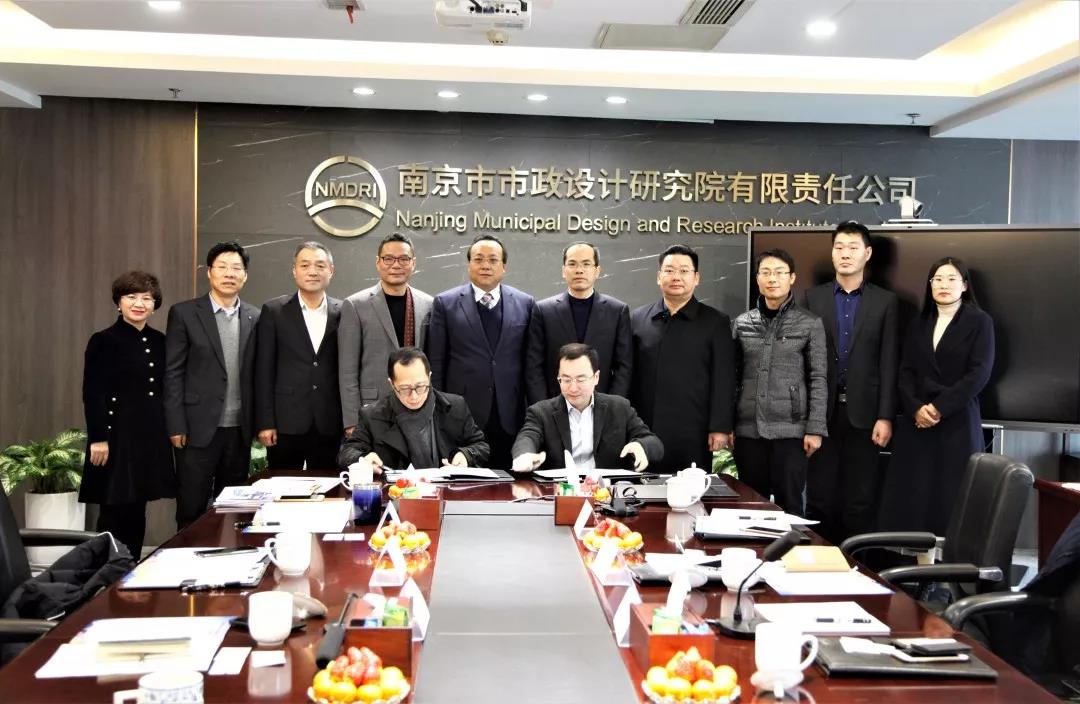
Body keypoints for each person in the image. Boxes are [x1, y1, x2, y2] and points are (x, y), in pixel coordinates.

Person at [879, 257, 994, 535]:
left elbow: (979, 373)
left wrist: (939, 407)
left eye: (952, 279)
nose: (944, 285)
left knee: (952, 501)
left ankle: (948, 561)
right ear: (930, 285)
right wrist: (917, 408)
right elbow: (905, 372)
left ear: (964, 286)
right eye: (938, 279)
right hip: (917, 424)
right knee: (914, 501)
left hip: (957, 422)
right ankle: (916, 559)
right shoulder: (918, 323)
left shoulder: (980, 322)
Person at [801, 221, 899, 543]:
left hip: (866, 416)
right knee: (819, 498)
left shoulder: (885, 302)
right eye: (839, 247)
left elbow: (888, 362)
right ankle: (819, 561)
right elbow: (802, 361)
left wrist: (885, 416)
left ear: (867, 254)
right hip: (822, 415)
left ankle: (857, 563)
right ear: (832, 253)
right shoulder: (812, 298)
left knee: (860, 500)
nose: (845, 253)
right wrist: (807, 418)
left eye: (853, 247)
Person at [79, 271, 175, 560]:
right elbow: (93, 392)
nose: (139, 304)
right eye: (131, 297)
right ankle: (106, 571)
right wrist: (98, 438)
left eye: (147, 298)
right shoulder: (103, 340)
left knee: (138, 506)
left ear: (155, 305)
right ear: (118, 303)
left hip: (148, 437)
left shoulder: (160, 341)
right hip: (115, 437)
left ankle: (130, 567)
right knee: (114, 508)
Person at [165, 242, 260, 529]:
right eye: (222, 267)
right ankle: (185, 555)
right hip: (196, 429)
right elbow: (173, 372)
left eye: (236, 268)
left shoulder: (255, 316)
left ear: (245, 276)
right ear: (209, 272)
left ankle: (230, 555)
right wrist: (176, 424)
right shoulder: (184, 313)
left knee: (234, 509)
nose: (229, 274)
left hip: (238, 430)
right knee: (191, 507)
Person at [426, 234, 537, 469]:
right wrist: (439, 411)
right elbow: (436, 362)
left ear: (504, 267)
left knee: (511, 482)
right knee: (462, 482)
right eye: (478, 259)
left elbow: (531, 363)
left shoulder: (525, 303)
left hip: (510, 412)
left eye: (493, 260)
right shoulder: (445, 303)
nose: (485, 265)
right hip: (462, 413)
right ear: (469, 264)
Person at [732, 248, 828, 516]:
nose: (772, 279)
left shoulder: (809, 323)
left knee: (791, 507)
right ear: (757, 279)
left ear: (792, 278)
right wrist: (727, 425)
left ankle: (792, 546)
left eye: (779, 273)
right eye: (765, 273)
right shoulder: (742, 323)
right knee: (750, 507)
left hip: (791, 432)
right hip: (749, 432)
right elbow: (732, 377)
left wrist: (815, 428)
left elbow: (818, 377)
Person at [629, 244, 735, 474]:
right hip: (644, 428)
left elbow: (724, 378)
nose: (676, 277)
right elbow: (628, 374)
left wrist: (719, 426)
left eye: (684, 271)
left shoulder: (715, 322)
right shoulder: (638, 319)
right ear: (659, 277)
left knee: (691, 489)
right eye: (669, 270)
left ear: (696, 278)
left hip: (693, 429)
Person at [254, 242, 343, 471]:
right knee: (281, 487)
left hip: (330, 421)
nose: (312, 271)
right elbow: (263, 371)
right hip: (285, 421)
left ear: (331, 271)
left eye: (320, 265)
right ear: (294, 271)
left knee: (330, 487)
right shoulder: (274, 311)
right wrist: (265, 422)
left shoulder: (344, 311)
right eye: (305, 265)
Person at [512, 343, 662, 472]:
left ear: (596, 377)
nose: (573, 388)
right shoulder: (541, 412)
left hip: (605, 491)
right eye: (566, 380)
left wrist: (640, 446)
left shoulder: (619, 408)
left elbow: (653, 442)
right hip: (560, 490)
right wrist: (524, 455)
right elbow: (527, 437)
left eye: (581, 379)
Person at [338, 233, 433, 434]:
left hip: (418, 406)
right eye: (388, 258)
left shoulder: (428, 304)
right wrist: (352, 421)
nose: (396, 265)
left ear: (413, 263)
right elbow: (347, 371)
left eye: (403, 259)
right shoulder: (355, 305)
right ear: (378, 262)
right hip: (372, 408)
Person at [336, 347, 489, 471]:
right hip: (395, 492)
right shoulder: (372, 415)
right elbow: (346, 453)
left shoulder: (455, 406)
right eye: (405, 389)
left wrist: (465, 455)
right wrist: (363, 459)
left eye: (421, 386)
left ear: (429, 377)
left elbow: (481, 446)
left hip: (445, 491)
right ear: (391, 384)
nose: (414, 396)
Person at [525, 242, 632, 404]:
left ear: (597, 271)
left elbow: (623, 367)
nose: (579, 270)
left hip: (602, 405)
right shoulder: (543, 310)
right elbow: (534, 367)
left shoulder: (617, 311)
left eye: (586, 264)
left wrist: (613, 407)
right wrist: (543, 409)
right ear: (563, 271)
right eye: (572, 264)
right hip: (554, 406)